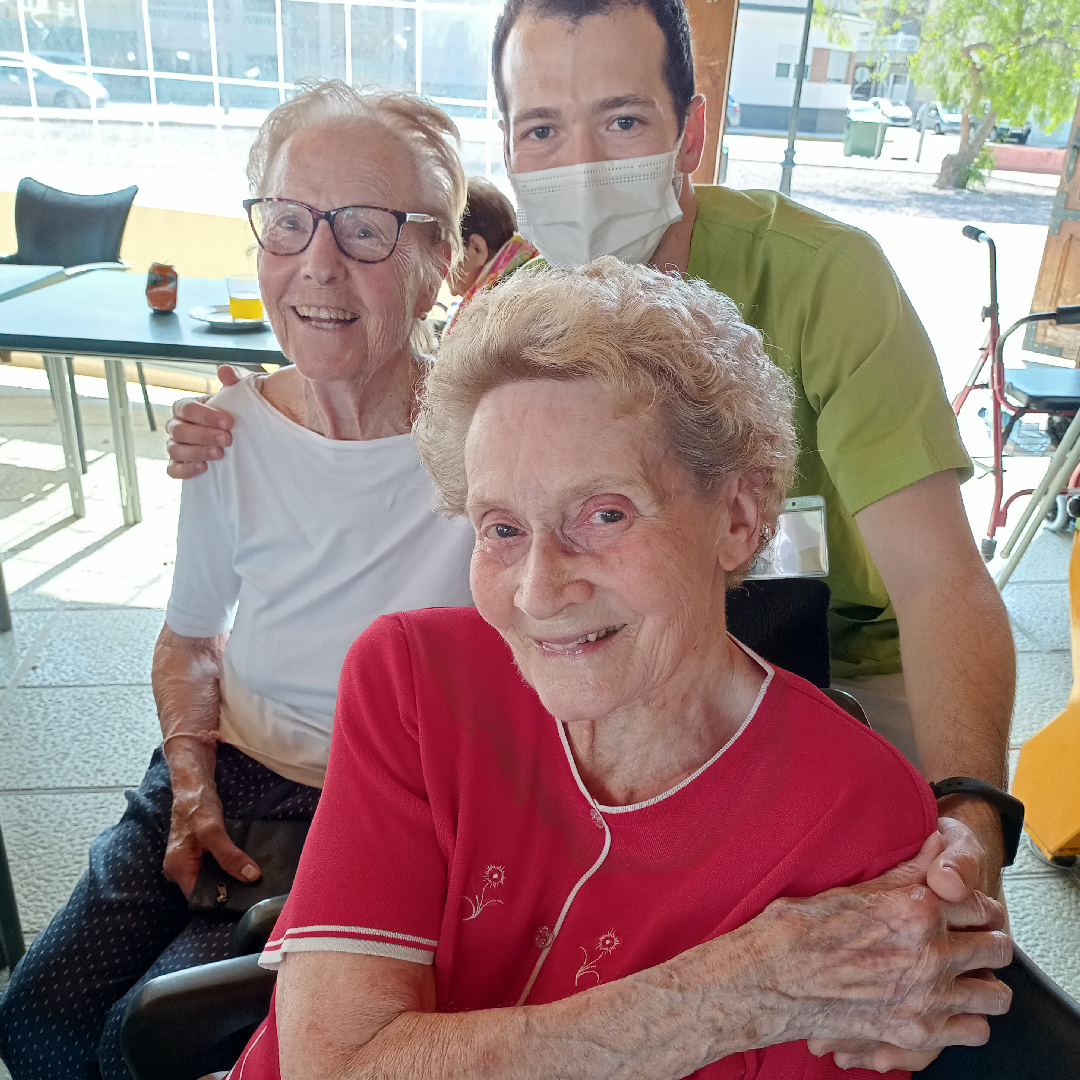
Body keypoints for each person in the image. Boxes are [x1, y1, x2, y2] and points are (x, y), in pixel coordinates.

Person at [163, 0, 1015, 914]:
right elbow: (410, 434)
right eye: (541, 128)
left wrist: (970, 808)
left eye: (620, 121)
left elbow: (938, 582)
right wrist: (254, 413)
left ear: (689, 129)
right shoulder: (515, 311)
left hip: (841, 660)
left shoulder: (823, 280)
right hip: (618, 651)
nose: (579, 164)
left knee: (907, 926)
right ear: (509, 146)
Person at [228, 259, 1012, 1080]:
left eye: (604, 514)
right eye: (500, 528)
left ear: (738, 520)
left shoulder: (856, 820)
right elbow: (334, 1063)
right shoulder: (418, 678)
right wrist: (740, 989)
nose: (539, 589)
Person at [0, 81, 475, 1080]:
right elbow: (188, 638)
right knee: (34, 1020)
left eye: (366, 230)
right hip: (218, 764)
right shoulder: (229, 431)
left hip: (366, 808)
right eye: (290, 221)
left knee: (147, 1037)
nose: (318, 263)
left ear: (436, 263)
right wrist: (187, 782)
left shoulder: (488, 454)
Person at [445, 175, 539, 329]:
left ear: (477, 249)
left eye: (446, 256)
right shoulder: (536, 272)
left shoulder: (493, 316)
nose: (442, 272)